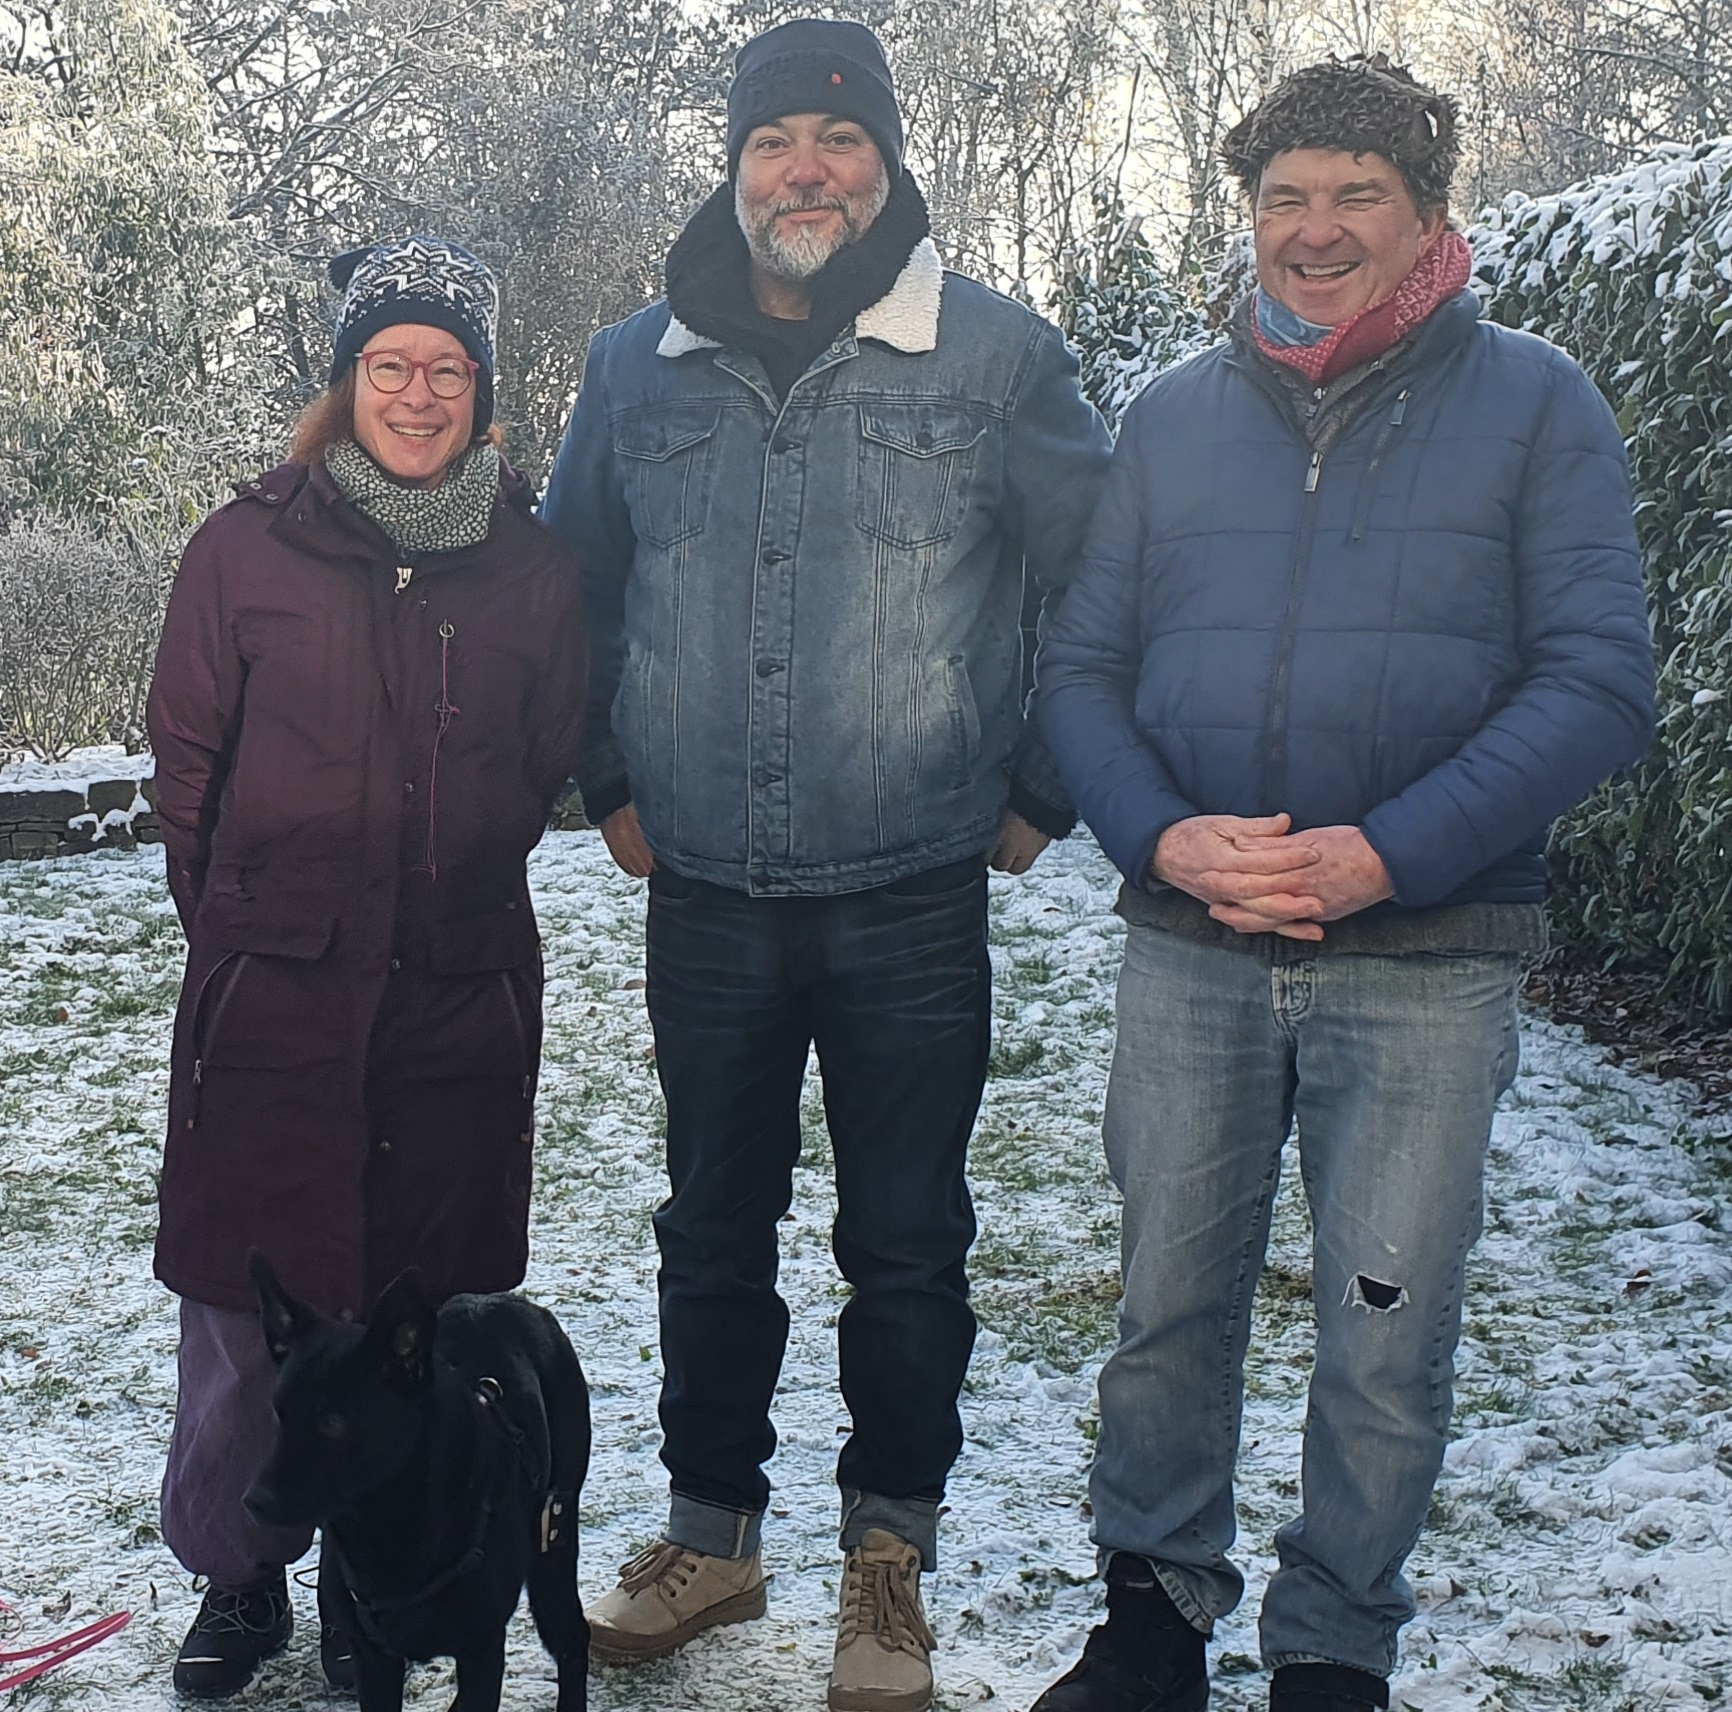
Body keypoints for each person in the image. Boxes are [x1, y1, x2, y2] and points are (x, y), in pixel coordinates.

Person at [1027, 56, 1655, 1712]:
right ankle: (1153, 1616)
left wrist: (1395, 850)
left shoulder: (1539, 405)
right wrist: (1159, 836)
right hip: (1191, 952)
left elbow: (1598, 680)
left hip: (1429, 960)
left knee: (1384, 1328)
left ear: (1428, 212)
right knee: (1166, 1304)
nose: (1314, 231)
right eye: (1284, 197)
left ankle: (1333, 1647)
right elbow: (1078, 670)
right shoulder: (1169, 415)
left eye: (1355, 194)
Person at [539, 18, 1112, 1711]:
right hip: (704, 884)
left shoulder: (997, 359)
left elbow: (1104, 585)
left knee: (910, 1238)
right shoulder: (634, 366)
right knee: (712, 1224)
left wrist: (1045, 787)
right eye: (777, 140)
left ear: (888, 164)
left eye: (839, 142)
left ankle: (889, 1562)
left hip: (917, 884)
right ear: (734, 163)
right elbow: (573, 587)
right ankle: (711, 1535)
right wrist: (607, 779)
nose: (809, 172)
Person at [144, 234, 589, 1699]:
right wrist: (254, 930)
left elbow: (541, 763)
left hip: (454, 998)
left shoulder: (531, 569)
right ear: (344, 385)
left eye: (448, 369)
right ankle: (237, 1578)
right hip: (276, 995)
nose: (418, 393)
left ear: (484, 394)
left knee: (420, 1322)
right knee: (245, 1317)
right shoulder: (245, 547)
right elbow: (188, 767)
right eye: (390, 365)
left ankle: (383, 1590)